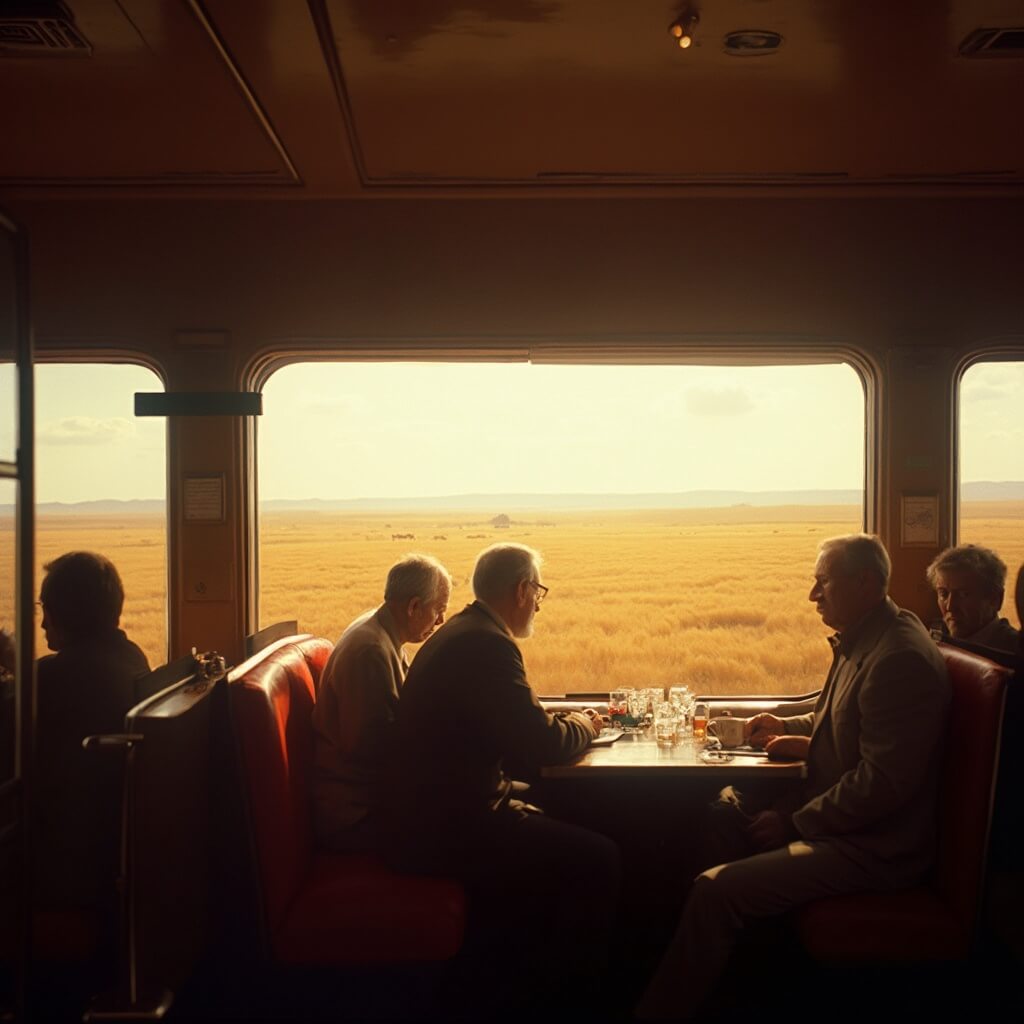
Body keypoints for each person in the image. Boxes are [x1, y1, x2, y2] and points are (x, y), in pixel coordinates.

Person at [636, 534, 950, 1021]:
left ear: (864, 582)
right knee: (722, 810)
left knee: (713, 890)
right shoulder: (867, 637)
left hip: (876, 848)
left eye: (822, 581)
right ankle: (741, 988)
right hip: (848, 825)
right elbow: (841, 717)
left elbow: (882, 784)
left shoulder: (899, 658)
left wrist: (795, 823)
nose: (812, 594)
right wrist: (785, 724)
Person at [383, 543, 618, 1010]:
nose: (538, 604)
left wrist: (555, 722)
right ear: (522, 589)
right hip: (449, 830)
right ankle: (569, 1000)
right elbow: (542, 744)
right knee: (601, 859)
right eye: (539, 593)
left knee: (571, 813)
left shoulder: (466, 630)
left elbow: (512, 723)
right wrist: (588, 724)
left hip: (436, 816)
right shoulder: (487, 644)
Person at [33, 552, 150, 959]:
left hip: (61, 867)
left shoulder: (53, 678)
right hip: (99, 852)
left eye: (46, 608)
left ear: (69, 612)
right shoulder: (131, 657)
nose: (43, 622)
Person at [310, 553, 452, 852]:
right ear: (414, 607)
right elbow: (369, 748)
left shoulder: (380, 628)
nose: (441, 621)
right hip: (355, 814)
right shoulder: (371, 650)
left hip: (368, 801)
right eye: (438, 610)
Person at [926, 544, 1020, 654]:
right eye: (943, 594)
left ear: (995, 599)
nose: (950, 606)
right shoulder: (931, 639)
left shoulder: (1015, 653)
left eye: (963, 594)